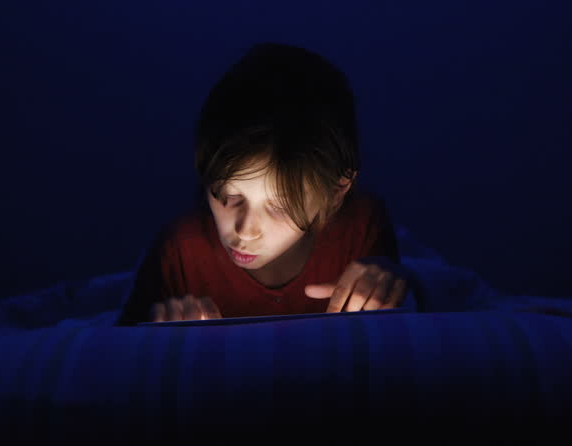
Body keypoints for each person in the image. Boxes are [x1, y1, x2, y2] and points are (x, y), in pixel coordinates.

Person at [117, 43, 416, 325]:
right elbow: (116, 352)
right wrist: (156, 329)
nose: (245, 230)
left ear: (336, 191)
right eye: (229, 195)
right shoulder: (180, 250)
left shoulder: (360, 228)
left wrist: (390, 282)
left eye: (279, 206)